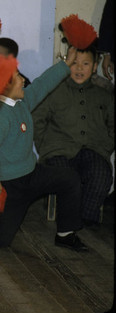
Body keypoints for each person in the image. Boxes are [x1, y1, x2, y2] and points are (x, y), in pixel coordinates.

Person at [0, 46, 89, 252]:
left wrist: (66, 64)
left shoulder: (21, 102)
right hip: (11, 186)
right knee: (1, 239)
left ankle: (65, 234)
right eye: (17, 77)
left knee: (70, 178)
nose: (23, 80)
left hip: (32, 174)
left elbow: (43, 84)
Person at [33, 45, 114, 226]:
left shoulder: (103, 95)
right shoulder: (54, 91)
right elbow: (38, 119)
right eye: (74, 63)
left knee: (102, 175)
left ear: (94, 66)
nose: (79, 68)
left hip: (94, 149)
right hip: (59, 151)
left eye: (85, 64)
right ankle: (68, 221)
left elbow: (112, 124)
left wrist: (107, 146)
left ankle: (85, 218)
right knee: (67, 177)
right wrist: (44, 147)